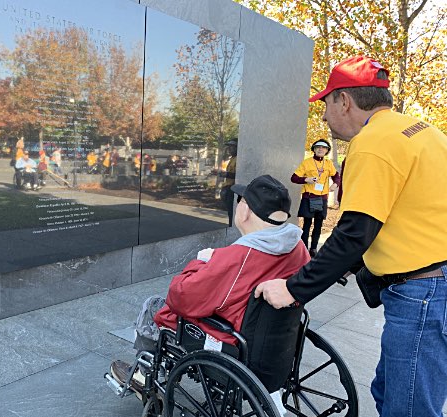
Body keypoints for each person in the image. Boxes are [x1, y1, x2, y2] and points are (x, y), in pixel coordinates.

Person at [255, 55, 447, 417]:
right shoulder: (424, 132)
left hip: (424, 295)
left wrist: (293, 289)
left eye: (326, 104)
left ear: (344, 101)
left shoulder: (372, 143)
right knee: (393, 397)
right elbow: (407, 213)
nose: (325, 117)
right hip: (433, 286)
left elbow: (354, 233)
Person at [111, 175, 310, 391]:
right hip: (272, 346)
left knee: (154, 306)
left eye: (240, 201)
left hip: (229, 339)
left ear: (246, 211)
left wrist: (202, 261)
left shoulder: (238, 257)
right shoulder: (299, 249)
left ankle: (145, 374)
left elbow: (180, 298)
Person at [291, 139, 341, 256]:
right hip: (309, 197)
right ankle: (303, 250)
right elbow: (293, 178)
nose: (320, 149)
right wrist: (305, 179)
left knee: (318, 225)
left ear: (327, 151)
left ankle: (313, 249)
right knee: (307, 224)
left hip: (322, 198)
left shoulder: (328, 163)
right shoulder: (306, 162)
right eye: (318, 147)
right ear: (313, 149)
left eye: (323, 148)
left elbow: (336, 176)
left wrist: (335, 184)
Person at [219, 138, 238, 226]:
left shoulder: (238, 159)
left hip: (233, 189)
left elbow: (238, 175)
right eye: (229, 147)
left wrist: (226, 174)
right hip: (228, 187)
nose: (229, 149)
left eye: (232, 147)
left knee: (232, 212)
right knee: (230, 212)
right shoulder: (232, 158)